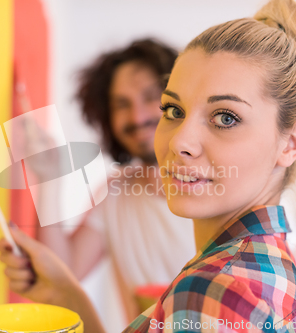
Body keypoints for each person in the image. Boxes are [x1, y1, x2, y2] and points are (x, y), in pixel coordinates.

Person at [0, 0, 296, 331]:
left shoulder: (212, 290)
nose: (180, 141)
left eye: (226, 117)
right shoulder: (270, 265)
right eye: (174, 110)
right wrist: (67, 293)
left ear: (291, 143)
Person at [32, 39, 196, 321]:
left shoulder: (227, 189)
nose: (137, 116)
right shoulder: (115, 193)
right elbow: (61, 273)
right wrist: (48, 179)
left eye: (149, 98)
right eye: (122, 104)